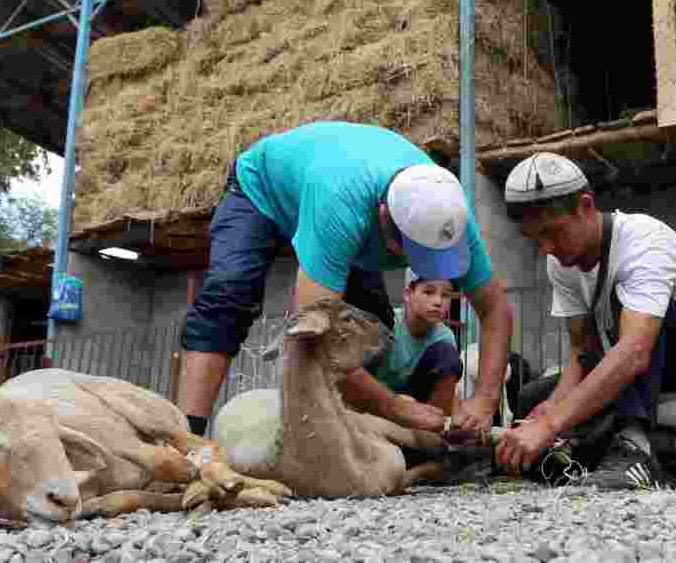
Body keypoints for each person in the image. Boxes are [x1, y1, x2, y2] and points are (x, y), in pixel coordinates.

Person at [176, 121, 514, 438]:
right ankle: (188, 439)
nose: (419, 263)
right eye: (410, 251)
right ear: (383, 217)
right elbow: (315, 336)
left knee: (374, 327)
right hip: (262, 190)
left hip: (342, 199)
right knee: (230, 293)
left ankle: (359, 432)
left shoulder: (449, 217)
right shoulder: (342, 204)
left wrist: (484, 403)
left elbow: (495, 309)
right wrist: (393, 407)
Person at [495, 152, 676, 489]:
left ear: (586, 206)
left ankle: (636, 449)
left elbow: (633, 351)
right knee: (532, 397)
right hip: (646, 367)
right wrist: (547, 412)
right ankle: (568, 458)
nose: (546, 247)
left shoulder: (643, 240)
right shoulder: (561, 263)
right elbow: (581, 354)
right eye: (535, 238)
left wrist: (551, 425)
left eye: (552, 232)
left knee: (636, 329)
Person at [364, 268, 463, 414]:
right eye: (428, 292)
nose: (438, 302)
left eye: (445, 295)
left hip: (419, 406)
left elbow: (449, 390)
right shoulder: (388, 323)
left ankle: (433, 426)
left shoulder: (445, 337)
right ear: (408, 295)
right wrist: (395, 401)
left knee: (447, 354)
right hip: (377, 401)